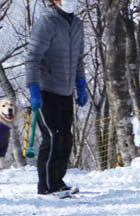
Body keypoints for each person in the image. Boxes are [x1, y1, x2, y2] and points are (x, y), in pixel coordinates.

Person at [25, 0, 88, 195]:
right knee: (53, 137)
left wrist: (81, 83)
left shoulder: (77, 24)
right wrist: (33, 87)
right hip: (46, 90)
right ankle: (46, 186)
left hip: (66, 91)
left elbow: (78, 58)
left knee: (66, 138)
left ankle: (58, 182)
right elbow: (32, 57)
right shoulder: (47, 22)